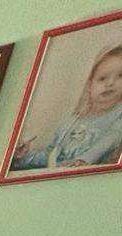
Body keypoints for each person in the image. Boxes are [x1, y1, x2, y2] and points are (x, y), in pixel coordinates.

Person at [11, 43, 122, 171]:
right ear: (90, 84)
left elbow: (108, 142)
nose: (110, 83)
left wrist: (82, 161)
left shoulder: (118, 118)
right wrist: (23, 157)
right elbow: (50, 156)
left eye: (120, 76)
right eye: (102, 78)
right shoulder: (72, 120)